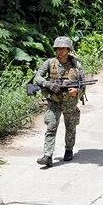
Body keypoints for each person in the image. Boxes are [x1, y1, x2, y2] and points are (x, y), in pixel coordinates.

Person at [34, 36, 86, 167]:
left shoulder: (76, 64)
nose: (60, 51)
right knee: (51, 126)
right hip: (54, 101)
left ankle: (69, 149)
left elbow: (83, 84)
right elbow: (37, 77)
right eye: (58, 48)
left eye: (63, 48)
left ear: (68, 49)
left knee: (70, 126)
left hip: (70, 101)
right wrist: (48, 84)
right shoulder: (50, 63)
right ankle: (47, 155)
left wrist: (77, 92)